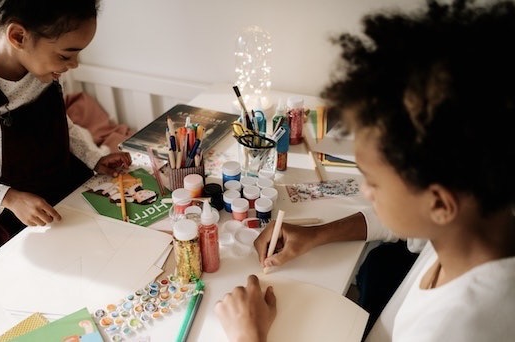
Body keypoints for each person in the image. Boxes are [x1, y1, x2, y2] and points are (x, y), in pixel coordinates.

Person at [215, 0, 515, 341]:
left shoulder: (461, 329)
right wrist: (316, 234)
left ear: (440, 203)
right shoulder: (475, 224)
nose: (366, 191)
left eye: (373, 182)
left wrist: (248, 335)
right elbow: (405, 226)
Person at [0, 0, 131, 269]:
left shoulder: (40, 69)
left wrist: (93, 158)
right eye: (66, 55)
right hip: (13, 213)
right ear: (18, 36)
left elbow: (60, 124)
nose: (74, 64)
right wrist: (10, 198)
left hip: (61, 183)